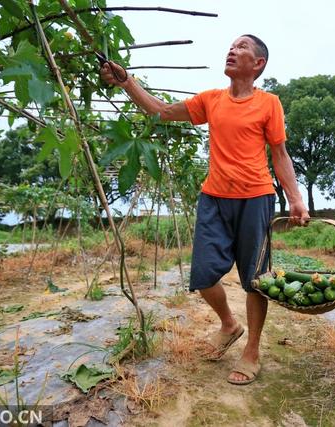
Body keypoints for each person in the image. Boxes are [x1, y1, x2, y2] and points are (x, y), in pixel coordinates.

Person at [100, 34, 309, 385]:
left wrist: (296, 198)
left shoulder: (269, 103)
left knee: (256, 281)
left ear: (258, 64)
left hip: (256, 198)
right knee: (203, 274)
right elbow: (161, 112)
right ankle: (229, 323)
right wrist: (126, 81)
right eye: (231, 46)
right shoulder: (212, 100)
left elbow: (280, 154)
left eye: (242, 47)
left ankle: (252, 351)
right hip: (213, 197)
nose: (232, 50)